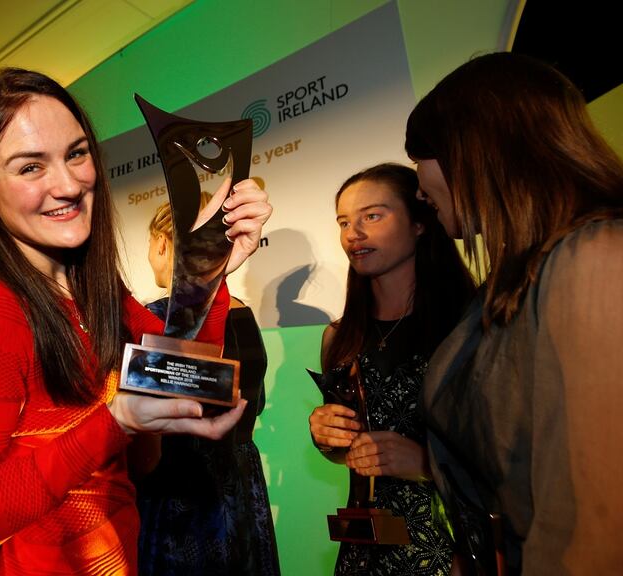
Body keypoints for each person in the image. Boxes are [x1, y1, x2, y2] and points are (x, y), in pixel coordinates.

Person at [0, 67, 271, 575]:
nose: (68, 184)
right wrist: (115, 423)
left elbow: (178, 381)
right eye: (30, 167)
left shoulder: (92, 289)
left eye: (76, 153)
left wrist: (206, 267)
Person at [404, 52, 623, 575]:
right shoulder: (511, 280)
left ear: (478, 147)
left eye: (423, 154)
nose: (418, 186)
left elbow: (595, 532)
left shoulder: (595, 257)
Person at [308, 163, 475, 574]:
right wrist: (327, 436)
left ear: (420, 222)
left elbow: (506, 457)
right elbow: (351, 450)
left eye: (373, 216)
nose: (353, 233)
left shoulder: (468, 324)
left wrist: (424, 463)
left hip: (451, 549)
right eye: (344, 222)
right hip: (364, 552)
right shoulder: (339, 337)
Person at [136, 196, 281, 576]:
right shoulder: (244, 316)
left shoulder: (153, 318)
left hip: (179, 488)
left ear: (163, 243)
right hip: (240, 482)